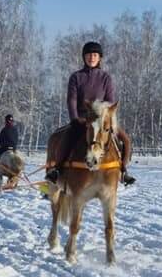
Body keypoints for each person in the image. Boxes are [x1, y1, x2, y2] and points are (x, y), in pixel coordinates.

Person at [46, 41, 135, 185]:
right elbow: (72, 100)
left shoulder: (106, 78)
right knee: (67, 137)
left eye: (95, 55)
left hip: (102, 119)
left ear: (100, 58)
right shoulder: (76, 77)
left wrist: (107, 119)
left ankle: (123, 171)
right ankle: (57, 170)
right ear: (84, 57)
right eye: (88, 55)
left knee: (126, 140)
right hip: (82, 119)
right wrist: (75, 119)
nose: (91, 58)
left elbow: (110, 101)